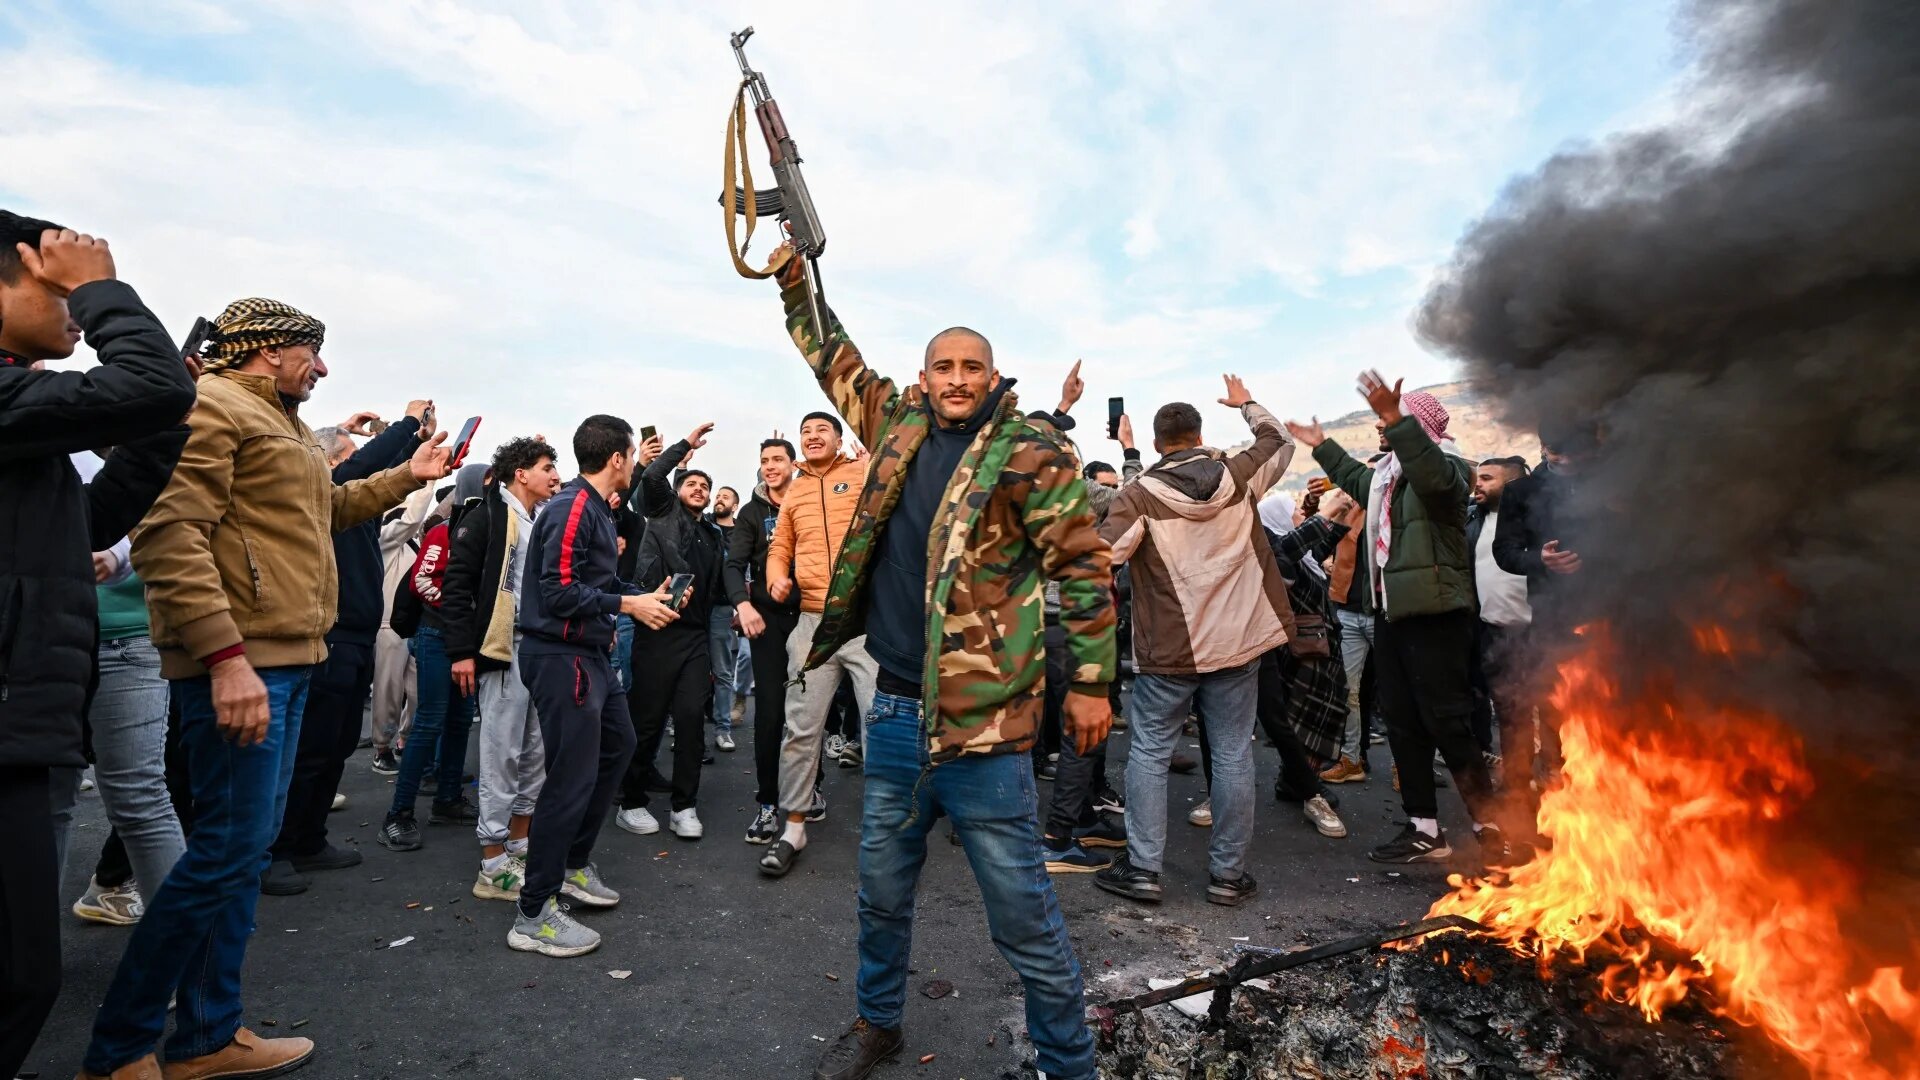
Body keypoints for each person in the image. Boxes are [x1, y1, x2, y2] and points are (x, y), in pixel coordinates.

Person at [762, 244, 1115, 1080]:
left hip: (989, 729)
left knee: (1024, 917)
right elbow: (831, 355)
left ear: (994, 377)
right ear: (922, 378)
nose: (958, 378)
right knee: (881, 894)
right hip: (892, 715)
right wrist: (790, 281)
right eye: (943, 366)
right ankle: (878, 1022)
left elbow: (1084, 566)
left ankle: (1070, 1067)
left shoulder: (1031, 451)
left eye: (973, 367)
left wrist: (1096, 681)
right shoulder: (897, 425)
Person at [88, 296, 447, 1079]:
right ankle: (118, 1049)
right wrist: (224, 659)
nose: (320, 368)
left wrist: (404, 477)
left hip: (283, 662)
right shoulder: (211, 406)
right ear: (267, 350)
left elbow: (325, 509)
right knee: (219, 856)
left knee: (238, 855)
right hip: (242, 664)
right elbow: (168, 532)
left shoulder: (276, 423)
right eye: (310, 353)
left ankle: (208, 1036)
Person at [0, 215, 196, 1080]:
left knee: (20, 973)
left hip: (25, 723)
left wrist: (162, 416)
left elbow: (88, 522)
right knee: (17, 975)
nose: (74, 309)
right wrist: (106, 291)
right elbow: (145, 386)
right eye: (54, 287)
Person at [1092, 380, 1294, 907]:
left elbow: (1102, 557)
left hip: (1169, 651)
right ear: (1200, 435)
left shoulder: (1137, 495)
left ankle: (1142, 870)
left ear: (1159, 445)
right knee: (1231, 755)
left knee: (1150, 754)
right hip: (1237, 644)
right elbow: (1281, 440)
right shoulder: (1240, 475)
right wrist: (1247, 402)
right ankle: (1228, 877)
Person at [1289, 375, 1501, 865]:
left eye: (1392, 423)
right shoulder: (1388, 478)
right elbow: (1356, 478)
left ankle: (1491, 824)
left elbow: (1428, 473)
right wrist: (1322, 445)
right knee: (1403, 722)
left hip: (1437, 614)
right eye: (1384, 422)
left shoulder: (1447, 472)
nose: (1382, 431)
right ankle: (1425, 828)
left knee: (1448, 721)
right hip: (1391, 613)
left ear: (1417, 425)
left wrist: (1397, 420)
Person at [508, 414, 677, 958]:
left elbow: (597, 586)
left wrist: (648, 594)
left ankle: (573, 866)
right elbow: (557, 593)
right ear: (618, 459)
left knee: (618, 746)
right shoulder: (572, 507)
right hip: (561, 657)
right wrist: (627, 604)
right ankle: (533, 913)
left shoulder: (599, 511)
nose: (634, 463)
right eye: (632, 455)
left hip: (591, 655)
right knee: (569, 779)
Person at [265, 408, 433, 894]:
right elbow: (362, 469)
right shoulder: (321, 494)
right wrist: (403, 426)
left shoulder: (356, 509)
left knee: (336, 745)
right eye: (349, 456)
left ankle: (310, 838)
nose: (360, 465)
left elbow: (381, 474)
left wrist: (413, 440)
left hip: (357, 637)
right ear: (328, 464)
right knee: (309, 749)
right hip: (332, 636)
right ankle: (276, 849)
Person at [754, 410, 876, 877]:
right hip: (811, 625)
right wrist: (776, 577)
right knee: (801, 729)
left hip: (865, 623)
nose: (811, 436)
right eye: (805, 431)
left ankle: (887, 833)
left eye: (821, 429)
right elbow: (780, 546)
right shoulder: (797, 489)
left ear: (839, 438)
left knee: (881, 729)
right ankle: (794, 826)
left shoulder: (862, 473)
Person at [442, 436, 562, 902]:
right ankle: (491, 863)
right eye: (546, 467)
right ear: (521, 473)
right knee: (501, 754)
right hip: (500, 649)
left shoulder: (537, 519)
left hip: (537, 650)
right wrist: (461, 652)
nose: (554, 475)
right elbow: (457, 586)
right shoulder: (488, 515)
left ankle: (518, 843)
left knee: (535, 752)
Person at [615, 426, 723, 841]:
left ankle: (684, 806)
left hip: (695, 637)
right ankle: (632, 802)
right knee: (647, 720)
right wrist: (684, 449)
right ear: (678, 490)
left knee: (694, 720)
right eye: (692, 483)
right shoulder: (662, 512)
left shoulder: (713, 534)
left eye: (704, 486)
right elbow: (654, 478)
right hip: (657, 629)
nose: (698, 489)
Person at [377, 465, 489, 851]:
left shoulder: (489, 533)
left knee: (459, 723)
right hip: (435, 635)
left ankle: (447, 800)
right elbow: (421, 582)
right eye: (491, 482)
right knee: (429, 721)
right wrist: (461, 610)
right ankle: (398, 814)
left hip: (465, 643)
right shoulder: (442, 532)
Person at [726, 436, 802, 844]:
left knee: (807, 713)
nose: (771, 466)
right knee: (771, 713)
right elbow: (733, 565)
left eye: (778, 459)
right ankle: (768, 804)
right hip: (766, 622)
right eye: (764, 461)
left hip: (809, 619)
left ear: (793, 463)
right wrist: (743, 604)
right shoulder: (752, 513)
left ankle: (811, 790)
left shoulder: (812, 498)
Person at [1467, 456, 1533, 791]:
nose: (1478, 484)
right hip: (1491, 632)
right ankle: (1515, 785)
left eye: (1488, 478)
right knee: (1506, 713)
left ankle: (1550, 783)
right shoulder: (1474, 519)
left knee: (1544, 715)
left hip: (1534, 634)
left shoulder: (1534, 520)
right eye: (1479, 477)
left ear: (1513, 484)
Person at [370, 483, 433, 774]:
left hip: (412, 623)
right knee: (388, 690)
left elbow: (423, 519)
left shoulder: (415, 542)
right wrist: (429, 481)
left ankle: (405, 740)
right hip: (388, 625)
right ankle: (381, 746)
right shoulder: (383, 537)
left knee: (420, 690)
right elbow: (411, 520)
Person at [707, 484, 743, 751]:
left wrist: (742, 606)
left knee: (722, 672)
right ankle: (683, 726)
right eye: (717, 495)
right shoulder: (703, 525)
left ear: (735, 505)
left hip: (721, 609)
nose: (720, 499)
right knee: (690, 671)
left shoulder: (741, 533)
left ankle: (723, 729)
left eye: (726, 496)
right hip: (694, 608)